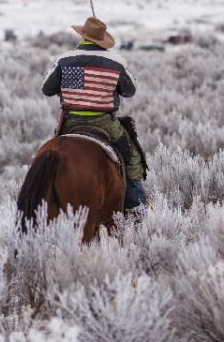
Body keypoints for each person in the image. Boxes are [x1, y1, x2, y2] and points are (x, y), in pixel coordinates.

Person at [41, 16, 148, 212]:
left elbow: (47, 88)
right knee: (132, 158)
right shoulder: (116, 62)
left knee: (49, 155)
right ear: (101, 39)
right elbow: (130, 90)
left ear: (83, 36)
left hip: (70, 123)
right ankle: (137, 209)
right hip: (104, 122)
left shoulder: (64, 59)